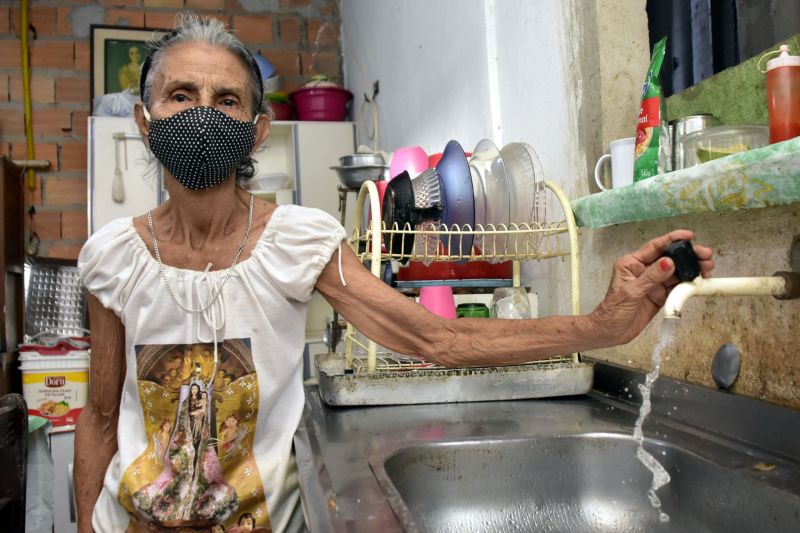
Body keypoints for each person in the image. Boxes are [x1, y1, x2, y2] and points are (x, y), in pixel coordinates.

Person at [74, 14, 714, 533]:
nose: (201, 114)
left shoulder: (299, 241)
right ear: (144, 117)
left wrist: (603, 326)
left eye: (226, 100)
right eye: (180, 96)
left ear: (256, 129)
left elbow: (439, 340)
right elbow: (100, 418)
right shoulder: (112, 258)